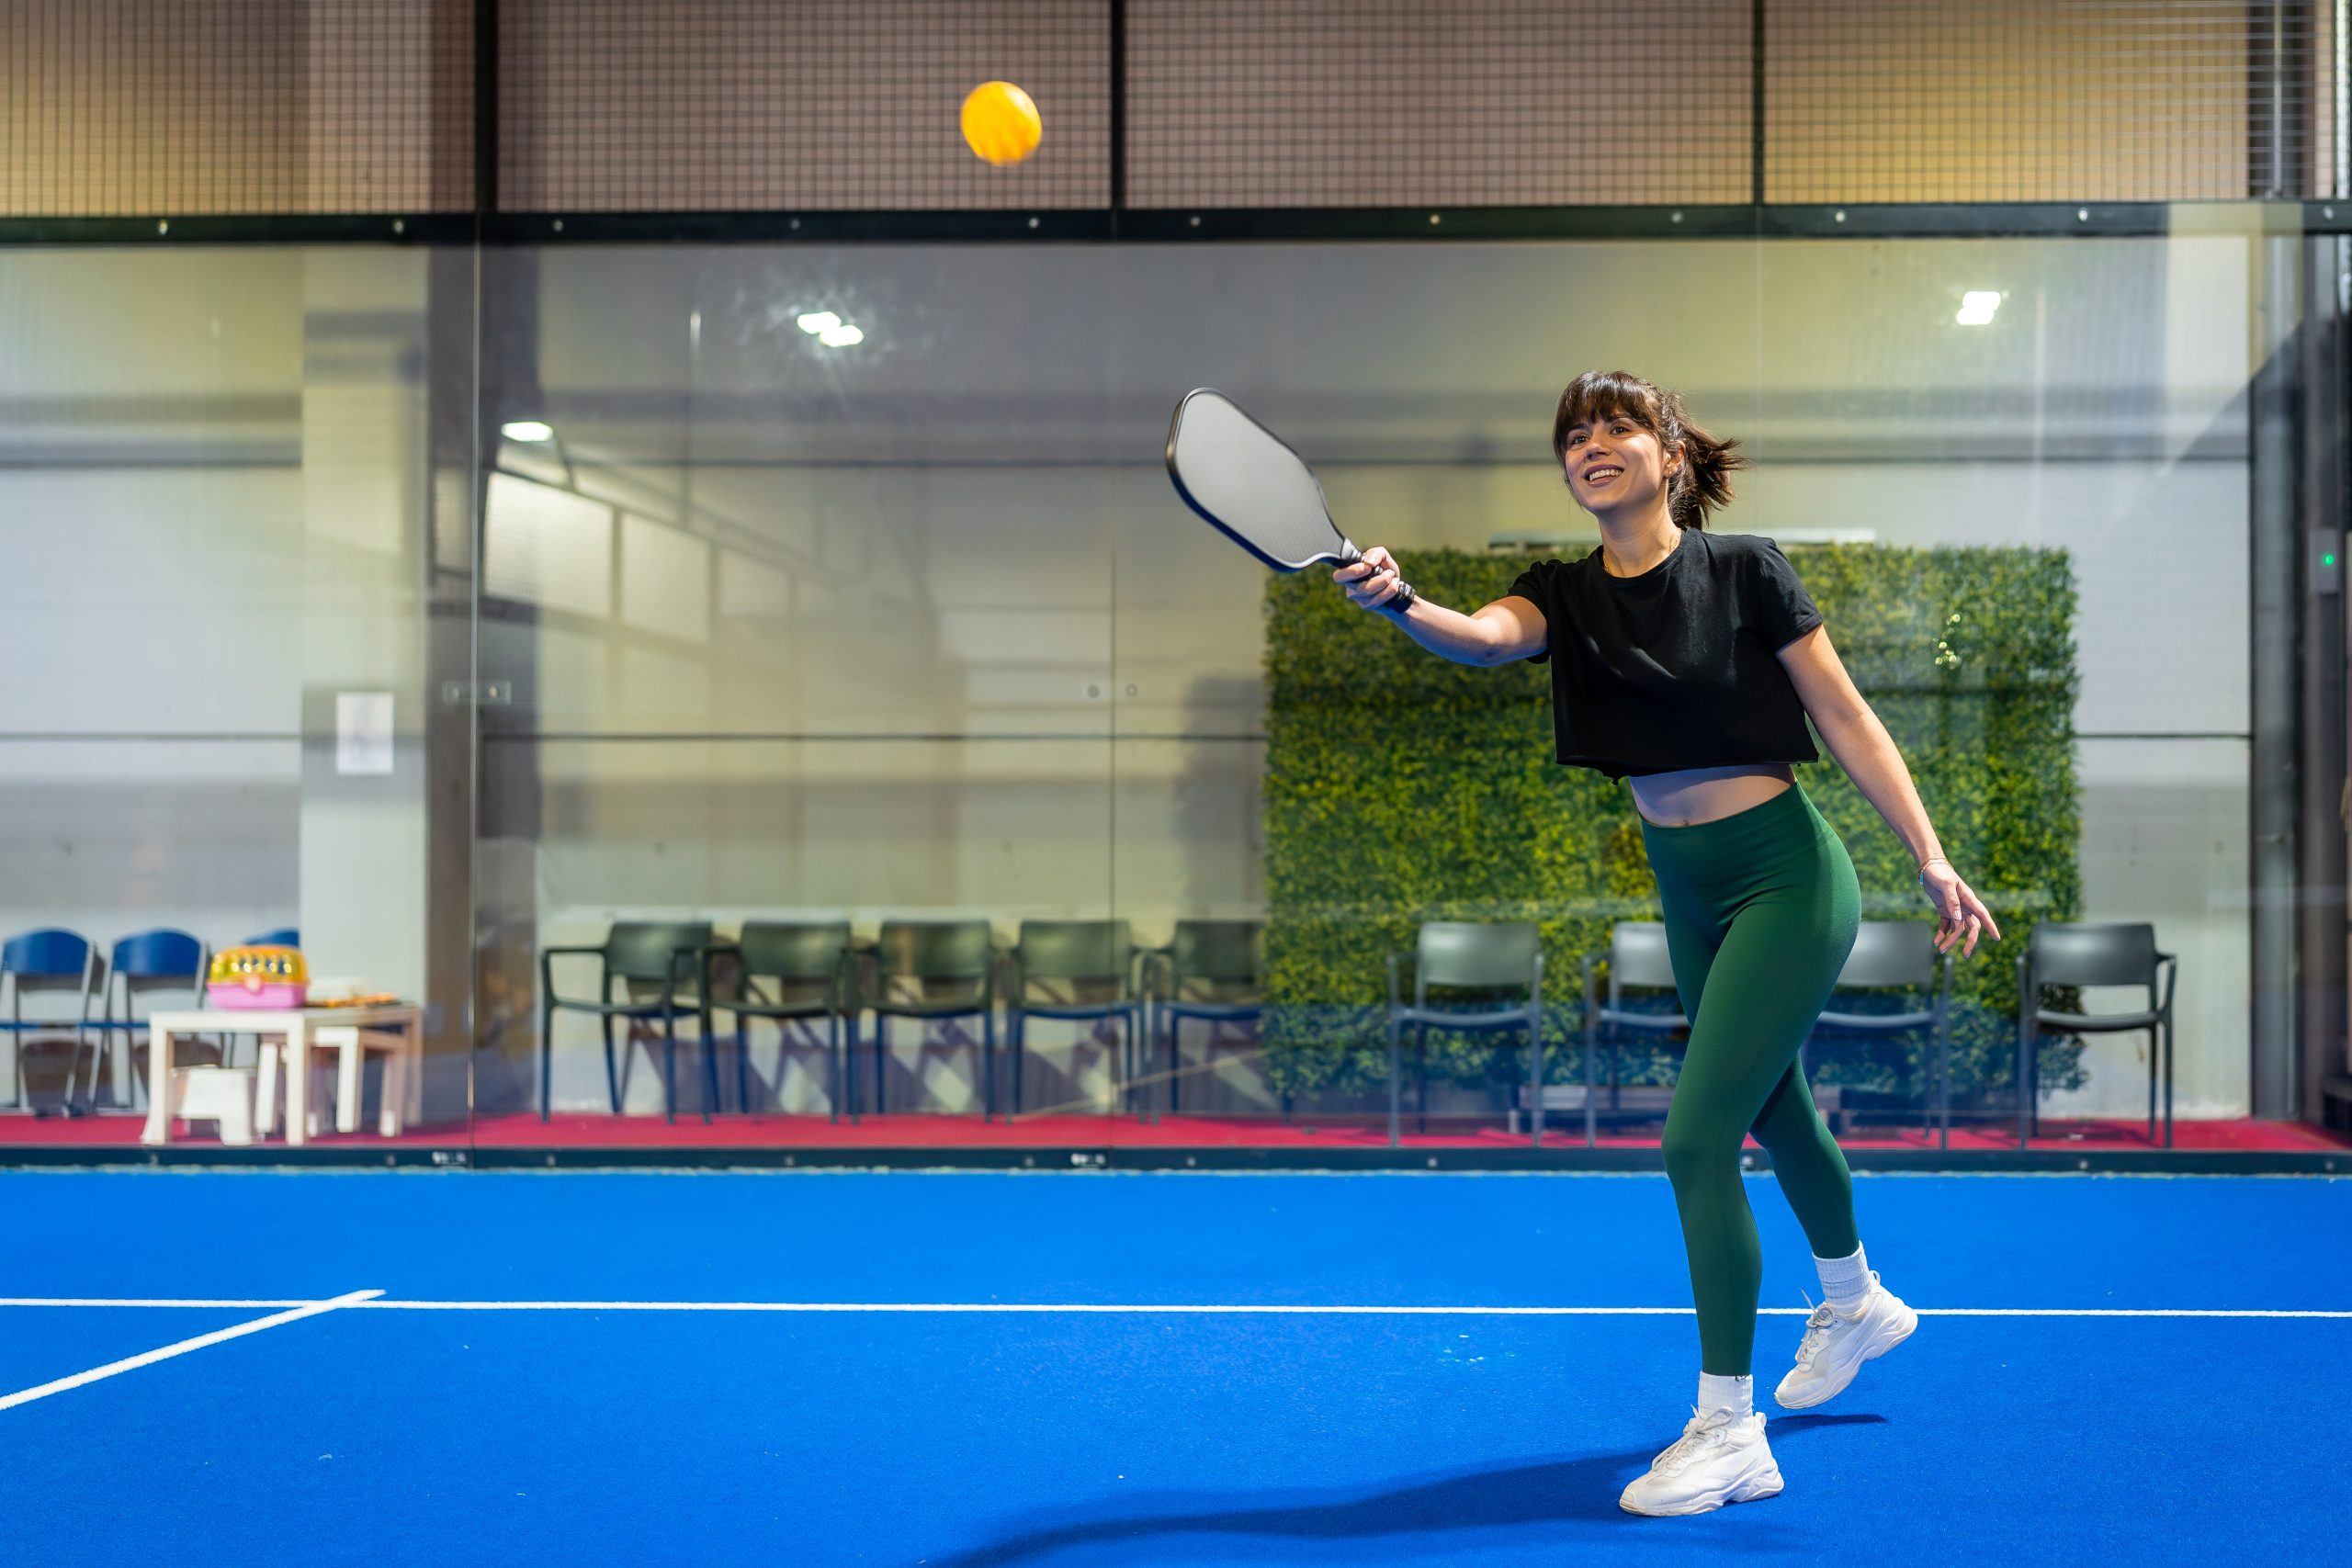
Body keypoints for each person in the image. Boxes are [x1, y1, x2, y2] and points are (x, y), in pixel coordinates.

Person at [1334, 369, 2002, 1517]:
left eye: (1617, 428)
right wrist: (1398, 599)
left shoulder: (1744, 570)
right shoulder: (1561, 591)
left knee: (1695, 1142)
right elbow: (1487, 640)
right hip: (1685, 884)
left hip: (1787, 874)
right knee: (1770, 1106)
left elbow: (1844, 714)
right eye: (1574, 436)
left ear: (1670, 456)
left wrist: (1930, 855)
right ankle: (1855, 1302)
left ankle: (1729, 1430)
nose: (1592, 445)